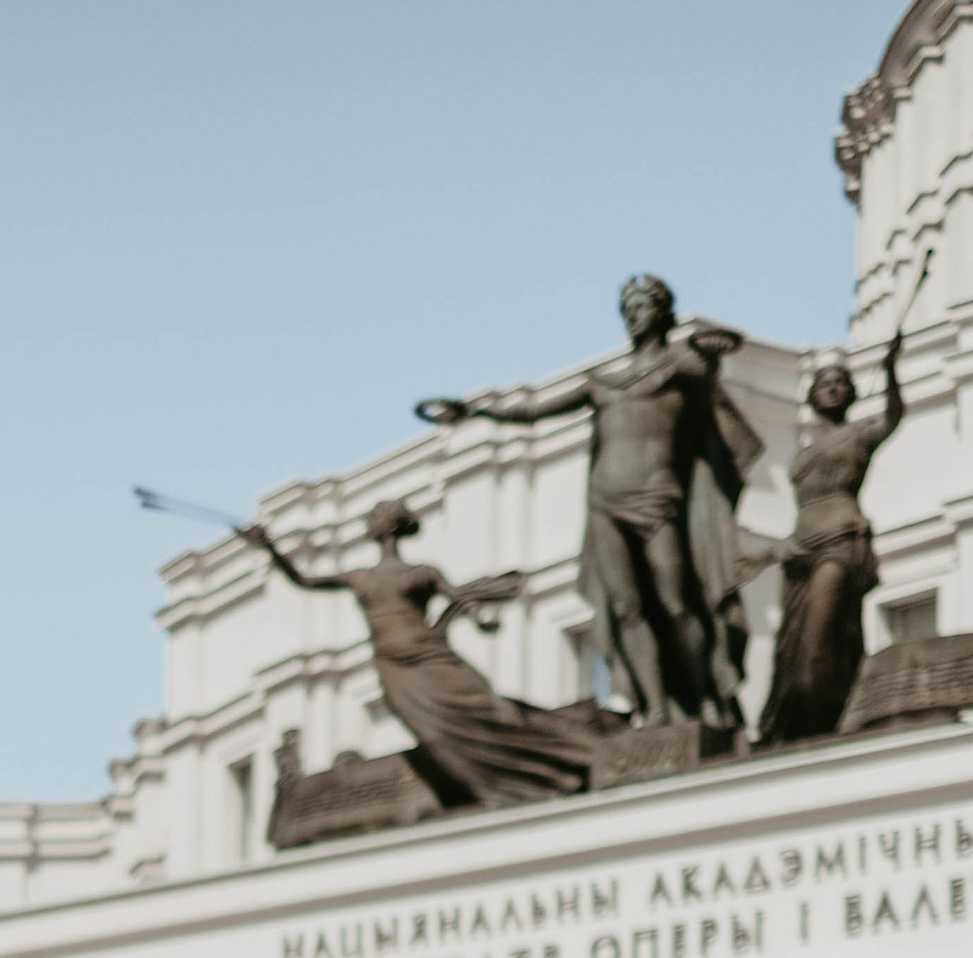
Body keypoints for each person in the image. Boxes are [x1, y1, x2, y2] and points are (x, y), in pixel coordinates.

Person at [421, 276, 757, 730]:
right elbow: (534, 411)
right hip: (605, 502)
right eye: (627, 309)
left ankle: (706, 695)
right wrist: (476, 411)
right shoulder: (602, 384)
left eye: (641, 306)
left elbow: (709, 380)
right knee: (626, 607)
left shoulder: (679, 366)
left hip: (658, 499)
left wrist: (712, 351)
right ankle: (654, 709)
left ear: (662, 312)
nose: (633, 316)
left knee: (677, 602)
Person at [245, 498, 595, 808]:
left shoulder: (421, 573)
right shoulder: (359, 577)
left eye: (375, 516)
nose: (369, 522)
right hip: (396, 667)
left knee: (489, 711)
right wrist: (270, 548)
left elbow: (458, 596)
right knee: (434, 733)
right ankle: (499, 789)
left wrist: (479, 619)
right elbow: (304, 580)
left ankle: (570, 753)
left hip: (431, 656)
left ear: (389, 527)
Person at [754, 298, 917, 745]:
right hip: (801, 553)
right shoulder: (802, 453)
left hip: (841, 544)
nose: (831, 388)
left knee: (819, 639)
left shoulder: (859, 434)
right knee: (793, 648)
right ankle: (797, 725)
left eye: (840, 382)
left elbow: (893, 416)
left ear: (851, 392)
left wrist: (889, 370)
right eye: (823, 383)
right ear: (811, 396)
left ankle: (825, 717)